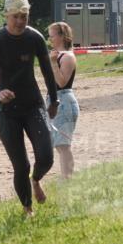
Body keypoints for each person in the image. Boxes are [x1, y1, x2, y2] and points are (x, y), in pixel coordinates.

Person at [0, 0, 59, 216]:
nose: (21, 21)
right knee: (21, 165)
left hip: (33, 105)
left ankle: (37, 179)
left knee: (46, 156)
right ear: (7, 16)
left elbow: (47, 71)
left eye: (25, 16)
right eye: (16, 17)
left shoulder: (35, 38)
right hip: (6, 111)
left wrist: (54, 100)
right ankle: (27, 208)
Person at [47, 21, 79, 179]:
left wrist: (53, 63)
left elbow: (61, 82)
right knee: (60, 145)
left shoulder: (67, 57)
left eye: (52, 35)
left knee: (63, 145)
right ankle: (66, 178)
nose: (50, 39)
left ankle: (68, 179)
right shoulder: (57, 55)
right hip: (56, 101)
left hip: (64, 101)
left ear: (61, 36)